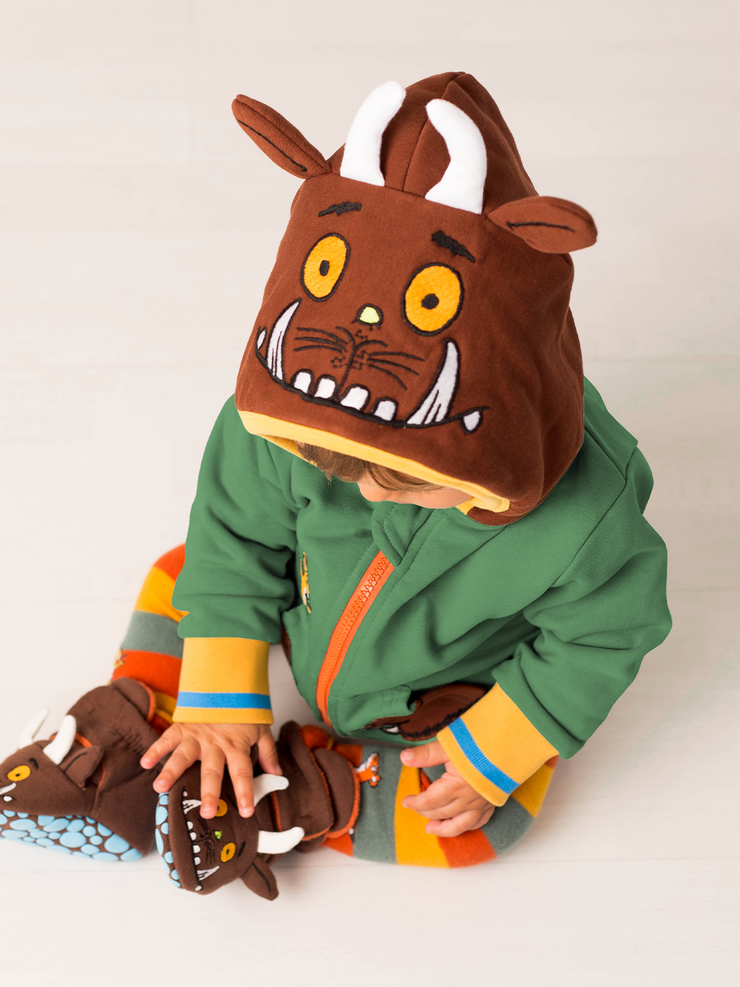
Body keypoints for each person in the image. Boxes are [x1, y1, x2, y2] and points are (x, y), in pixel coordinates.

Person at [0, 72, 671, 892]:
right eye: (338, 467)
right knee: (185, 572)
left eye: (411, 483)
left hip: (434, 690)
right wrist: (222, 684)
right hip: (304, 611)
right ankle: (137, 741)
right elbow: (236, 530)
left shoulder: (588, 516)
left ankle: (307, 792)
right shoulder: (291, 418)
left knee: (486, 822)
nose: (374, 496)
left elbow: (606, 632)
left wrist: (502, 737)